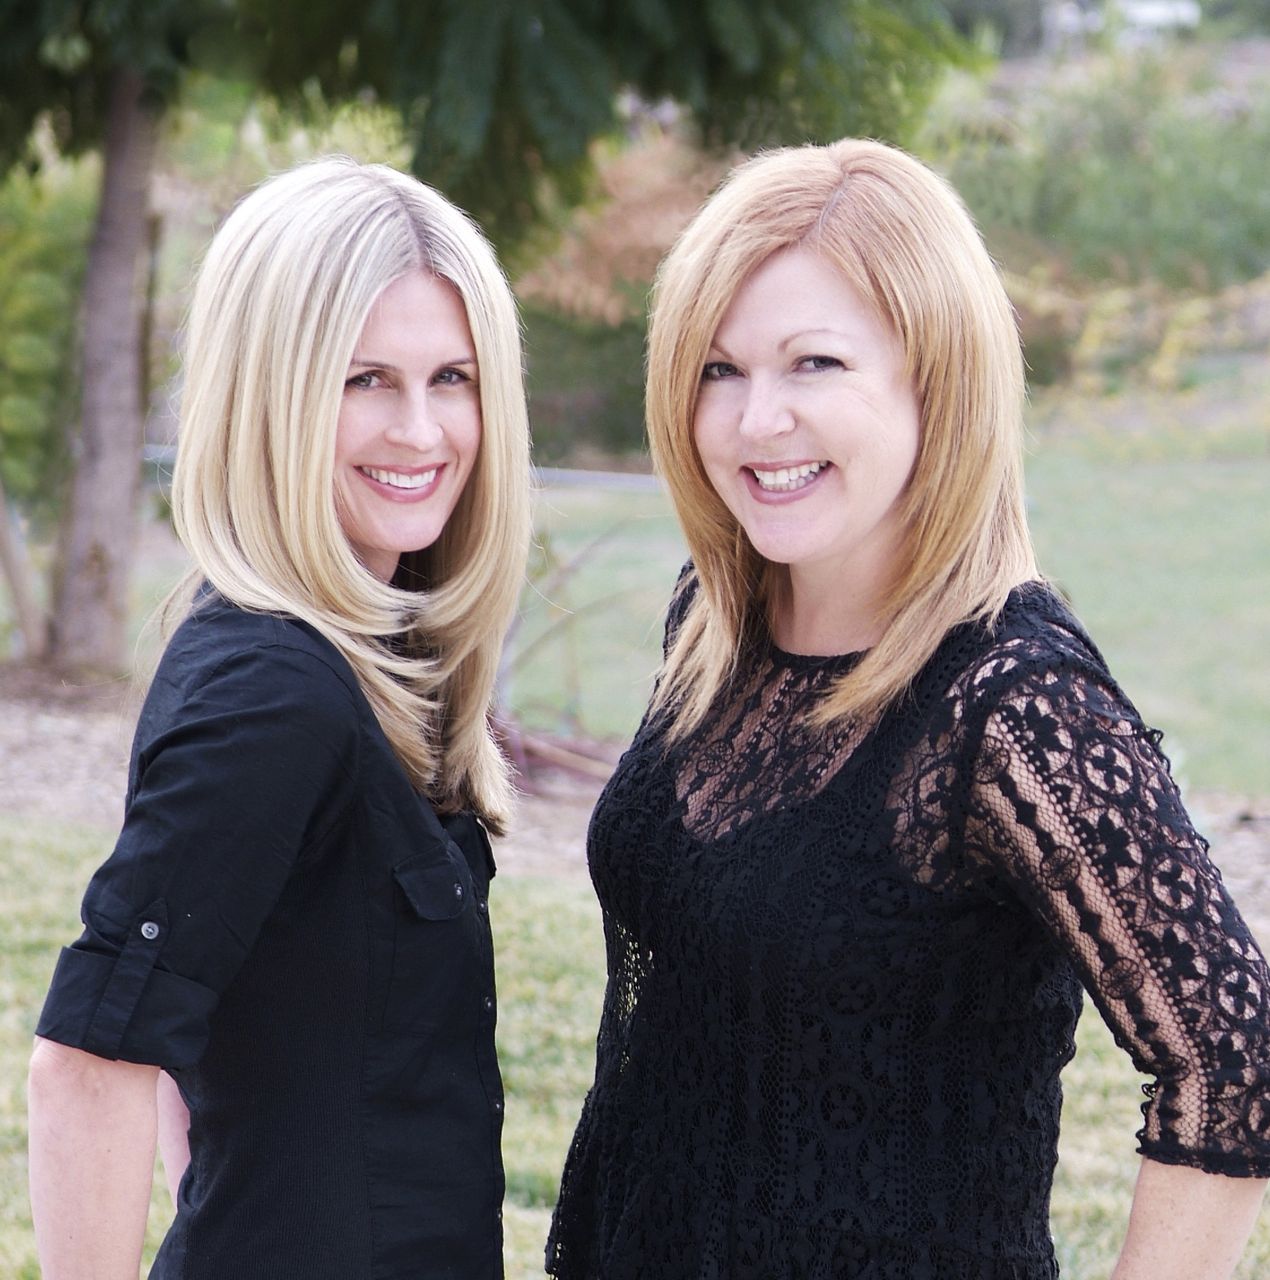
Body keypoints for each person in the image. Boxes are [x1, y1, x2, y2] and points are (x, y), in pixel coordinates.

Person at [546, 138, 1270, 1279]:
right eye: (718, 368)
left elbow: (1232, 1057)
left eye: (814, 363)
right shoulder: (714, 624)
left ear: (936, 379)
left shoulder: (1013, 702)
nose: (755, 420)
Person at [27, 156, 531, 1279]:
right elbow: (88, 1065)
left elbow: (193, 1000)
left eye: (451, 377)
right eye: (365, 380)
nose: (420, 430)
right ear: (272, 391)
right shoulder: (273, 691)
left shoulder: (363, 653)